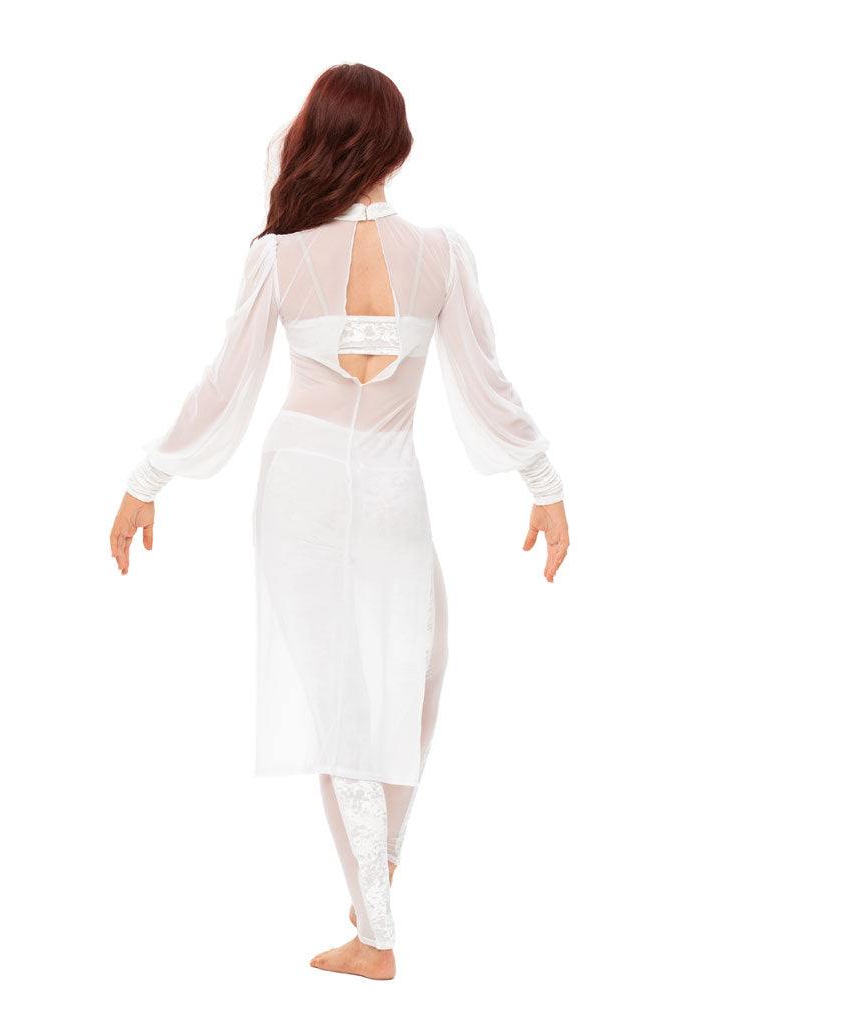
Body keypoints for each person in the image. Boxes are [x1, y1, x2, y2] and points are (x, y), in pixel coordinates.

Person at [109, 63, 570, 981]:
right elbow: (487, 381)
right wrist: (543, 479)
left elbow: (223, 386)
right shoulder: (439, 254)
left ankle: (375, 900)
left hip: (308, 485)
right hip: (384, 483)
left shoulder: (282, 255)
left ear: (318, 138)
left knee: (376, 685)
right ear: (397, 144)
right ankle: (377, 910)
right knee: (401, 678)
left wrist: (148, 477)